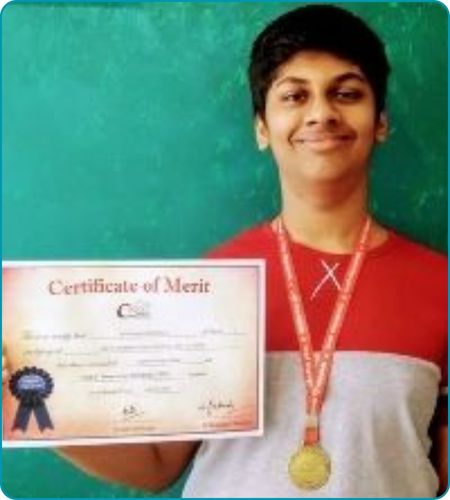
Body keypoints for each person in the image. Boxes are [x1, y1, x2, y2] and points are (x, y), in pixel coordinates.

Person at [2, 4, 447, 497]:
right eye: (294, 95)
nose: (321, 112)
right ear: (262, 127)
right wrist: (23, 391)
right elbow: (156, 464)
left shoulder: (440, 285)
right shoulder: (209, 284)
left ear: (380, 121)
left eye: (347, 93)